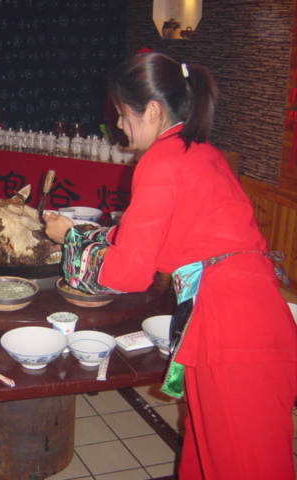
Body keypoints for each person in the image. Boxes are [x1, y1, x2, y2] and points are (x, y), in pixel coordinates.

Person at [44, 52, 297, 480]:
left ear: (154, 111)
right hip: (253, 317)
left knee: (246, 466)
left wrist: (71, 238)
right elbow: (151, 240)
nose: (119, 126)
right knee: (206, 451)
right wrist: (87, 233)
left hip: (230, 332)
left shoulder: (160, 162)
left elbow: (128, 273)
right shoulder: (200, 153)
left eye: (123, 115)